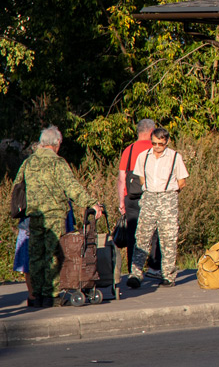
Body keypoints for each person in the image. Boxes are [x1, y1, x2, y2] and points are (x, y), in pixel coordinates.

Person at [21, 126, 104, 308]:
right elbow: (72, 187)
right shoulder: (58, 163)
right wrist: (91, 203)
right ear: (57, 143)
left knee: (35, 255)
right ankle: (52, 295)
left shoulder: (28, 162)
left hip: (34, 216)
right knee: (53, 255)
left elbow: (17, 187)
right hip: (54, 216)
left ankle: (36, 296)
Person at [126, 127, 189, 290]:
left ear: (166, 142)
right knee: (142, 236)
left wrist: (169, 192)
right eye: (154, 143)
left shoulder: (175, 157)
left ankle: (168, 275)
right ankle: (136, 274)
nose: (157, 147)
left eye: (160, 144)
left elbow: (182, 181)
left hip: (167, 197)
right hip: (149, 197)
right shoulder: (143, 156)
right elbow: (140, 177)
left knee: (168, 238)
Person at [116, 118, 157, 275]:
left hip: (131, 197)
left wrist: (121, 202)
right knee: (154, 232)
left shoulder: (129, 150)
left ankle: (134, 268)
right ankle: (153, 267)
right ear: (151, 132)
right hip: (151, 195)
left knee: (133, 234)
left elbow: (121, 179)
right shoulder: (155, 149)